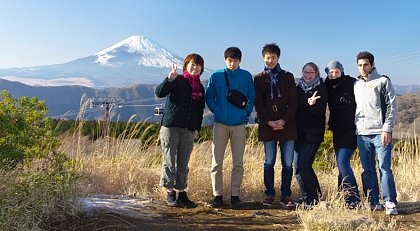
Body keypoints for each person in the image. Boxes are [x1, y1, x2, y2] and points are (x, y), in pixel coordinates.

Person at [205, 47, 256, 208]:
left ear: (239, 60)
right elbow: (209, 96)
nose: (232, 63)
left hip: (239, 125)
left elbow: (251, 97)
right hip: (220, 124)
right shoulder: (216, 76)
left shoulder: (246, 76)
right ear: (225, 60)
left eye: (235, 60)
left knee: (238, 163)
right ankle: (217, 195)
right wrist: (216, 110)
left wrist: (246, 112)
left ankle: (235, 195)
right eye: (229, 60)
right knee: (216, 162)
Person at [155, 53, 206, 208]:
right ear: (186, 66)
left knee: (183, 162)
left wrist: (197, 128)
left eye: (198, 65)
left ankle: (182, 193)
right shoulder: (177, 80)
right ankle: (170, 192)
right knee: (169, 160)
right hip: (171, 126)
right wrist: (169, 79)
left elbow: (200, 109)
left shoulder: (200, 87)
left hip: (188, 128)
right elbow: (159, 93)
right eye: (192, 64)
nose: (195, 67)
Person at [354, 51, 398, 215]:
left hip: (381, 133)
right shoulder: (356, 84)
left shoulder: (383, 81)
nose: (363, 68)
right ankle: (373, 201)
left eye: (365, 64)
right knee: (368, 169)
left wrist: (387, 129)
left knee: (384, 168)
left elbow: (392, 107)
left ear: (372, 64)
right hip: (361, 133)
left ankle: (389, 201)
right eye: (359, 65)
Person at [253, 43, 297, 207]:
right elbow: (258, 104)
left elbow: (293, 102)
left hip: (288, 125)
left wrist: (283, 120)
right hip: (268, 125)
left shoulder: (287, 76)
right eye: (267, 57)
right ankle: (269, 194)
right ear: (263, 58)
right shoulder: (259, 78)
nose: (270, 60)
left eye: (273, 57)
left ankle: (286, 195)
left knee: (287, 163)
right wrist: (269, 122)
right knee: (269, 162)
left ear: (278, 58)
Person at [324, 60, 360, 208]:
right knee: (341, 163)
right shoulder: (326, 85)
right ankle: (342, 196)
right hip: (337, 129)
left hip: (351, 128)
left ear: (342, 71)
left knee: (342, 162)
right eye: (331, 72)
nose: (334, 74)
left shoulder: (351, 82)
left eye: (337, 72)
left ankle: (354, 198)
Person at [295, 62, 328, 208]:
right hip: (298, 133)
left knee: (304, 165)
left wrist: (312, 104)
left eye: (311, 72)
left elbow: (320, 113)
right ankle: (305, 196)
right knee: (297, 167)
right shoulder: (298, 88)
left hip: (313, 134)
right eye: (305, 72)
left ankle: (315, 198)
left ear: (316, 73)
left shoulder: (320, 88)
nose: (308, 75)